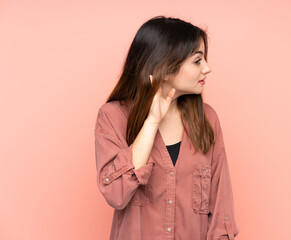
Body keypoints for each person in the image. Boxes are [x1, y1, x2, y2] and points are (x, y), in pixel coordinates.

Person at [94, 15, 239, 240]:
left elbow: (222, 214)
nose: (207, 69)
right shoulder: (113, 117)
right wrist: (152, 123)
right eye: (197, 61)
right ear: (166, 66)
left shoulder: (207, 119)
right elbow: (115, 193)